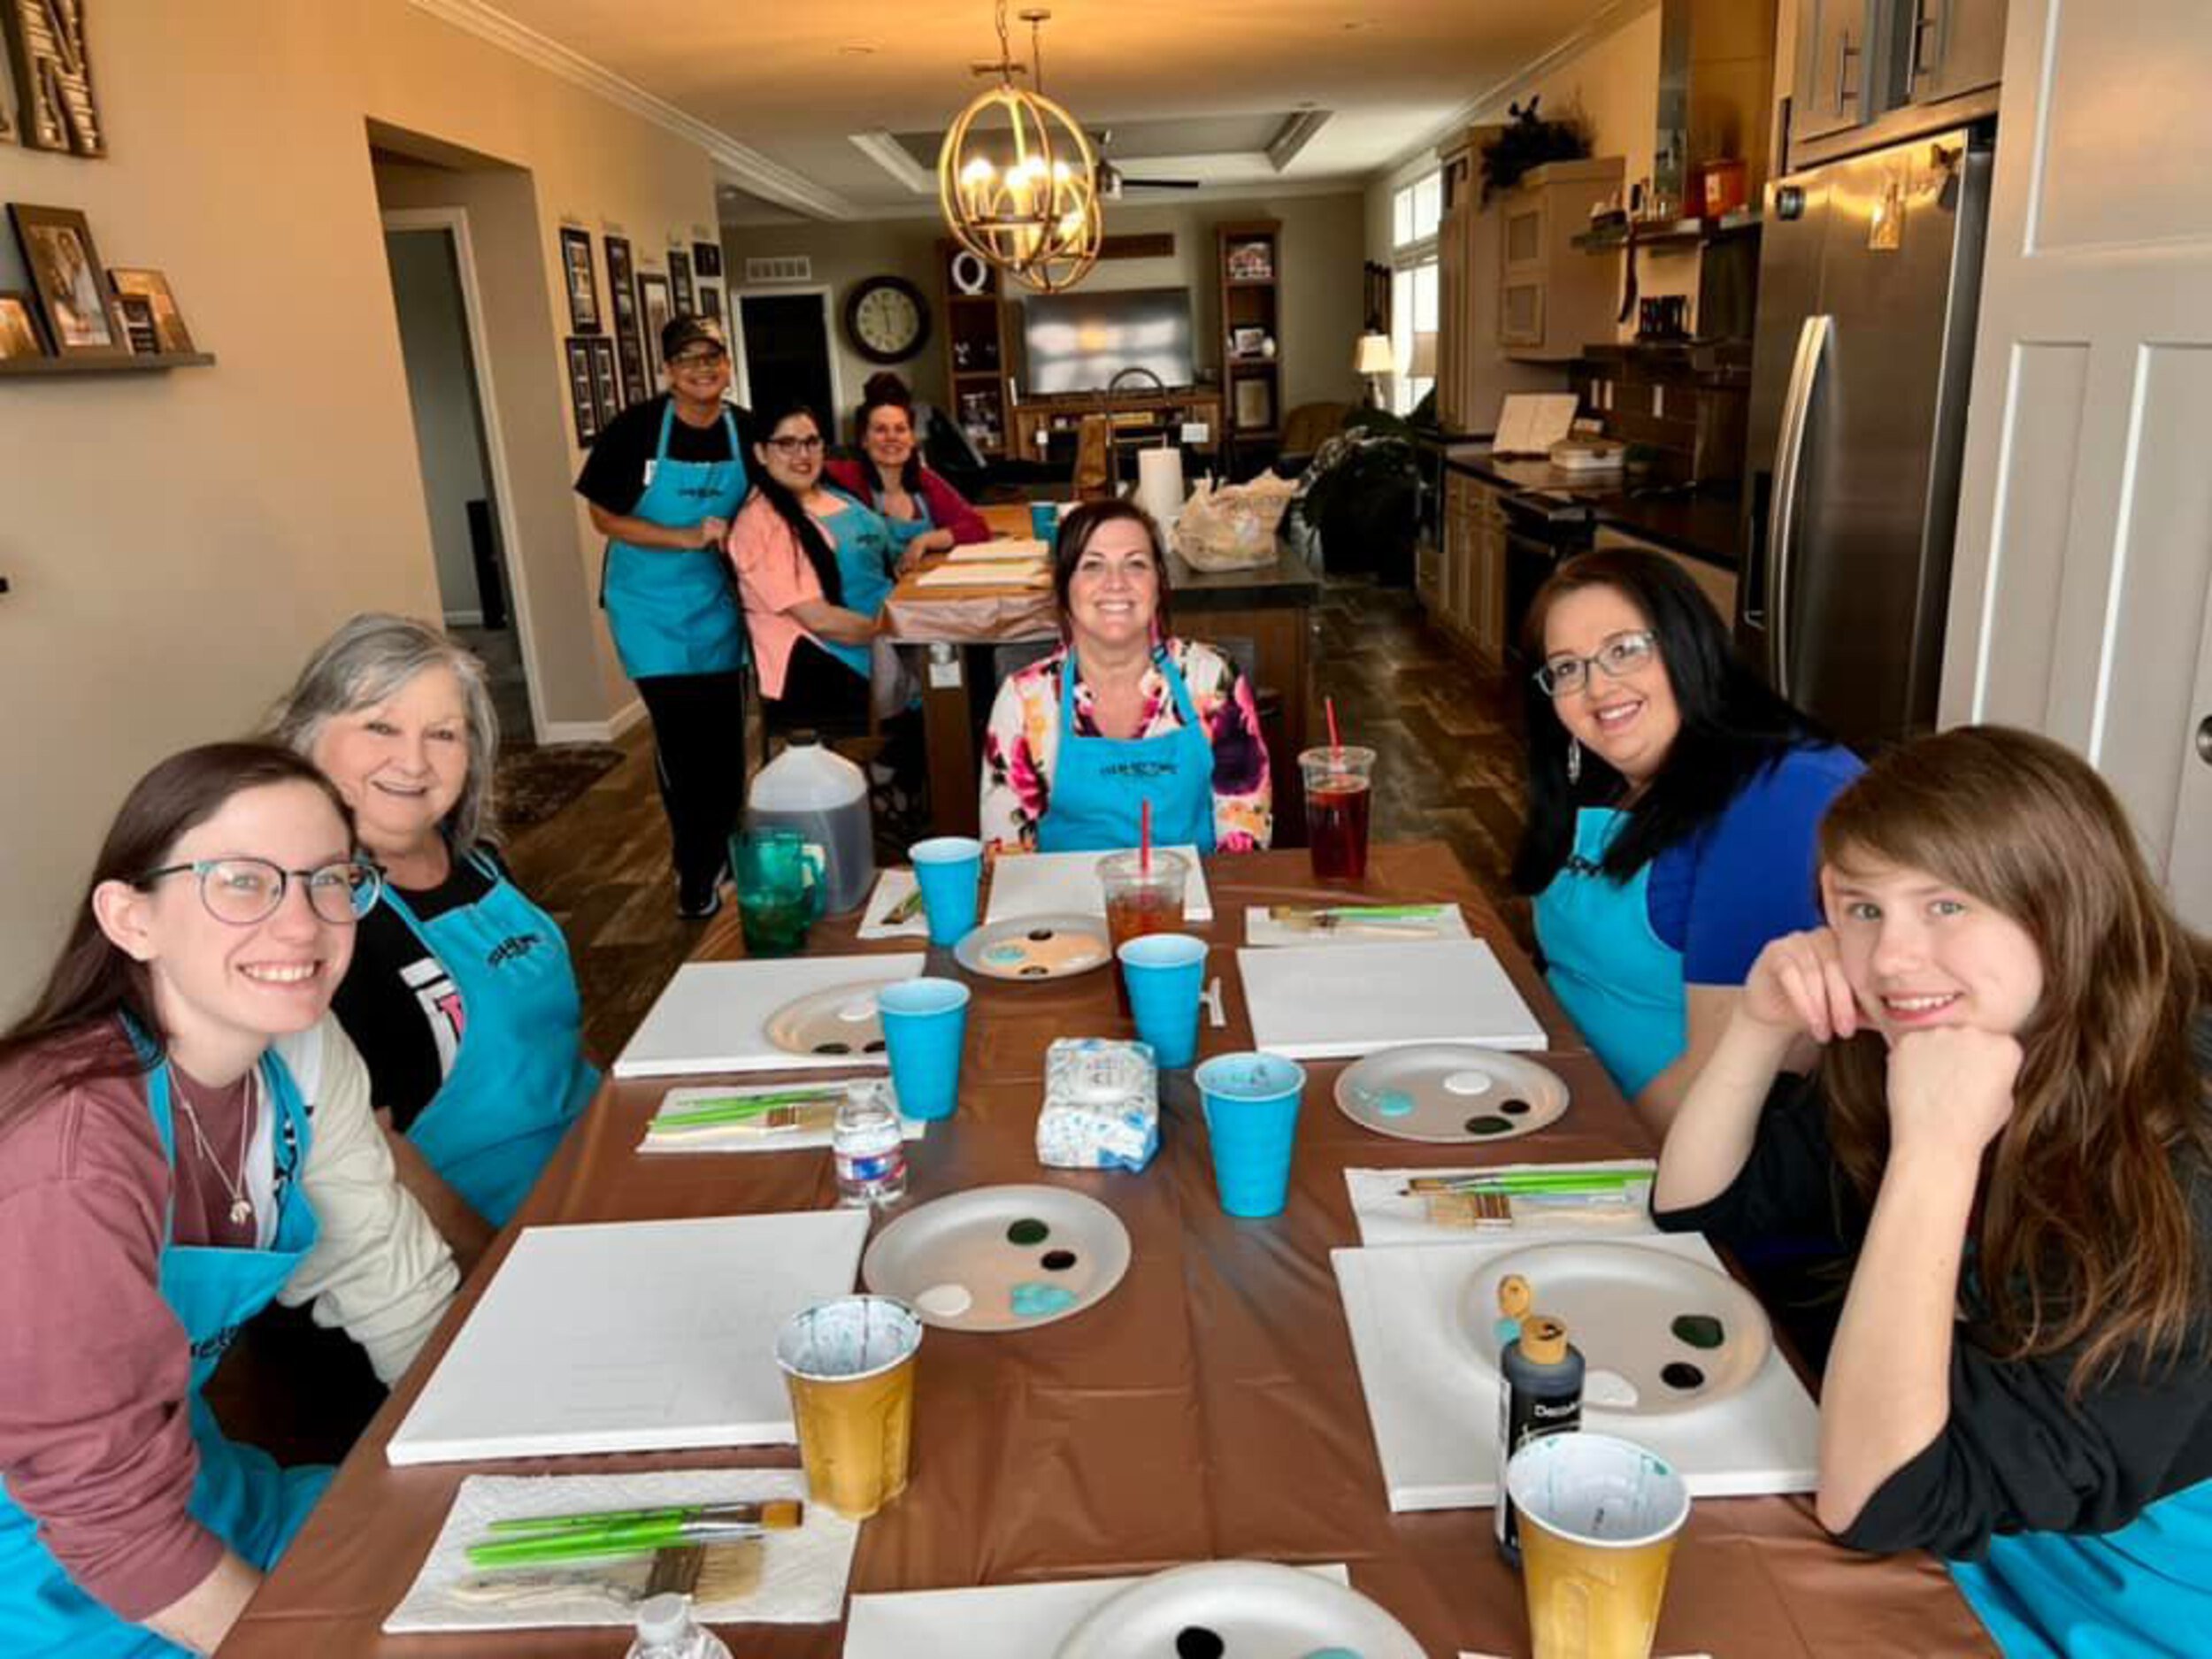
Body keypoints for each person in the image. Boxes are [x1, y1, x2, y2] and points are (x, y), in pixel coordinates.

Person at [1651, 726, 2212, 1657]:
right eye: (1858, 909)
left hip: (2122, 1601)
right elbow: (1701, 1218)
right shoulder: (1937, 1041)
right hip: (1960, 1523)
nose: (1892, 959)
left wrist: (1936, 1153)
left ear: (2065, 906)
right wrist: (1756, 1025)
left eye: (1944, 904)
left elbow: (1884, 1500)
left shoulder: (2179, 1151)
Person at [0, 743, 457, 1656]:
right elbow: (109, 1523)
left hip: (217, 1502)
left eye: (330, 880)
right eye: (242, 883)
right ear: (132, 919)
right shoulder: (67, 1151)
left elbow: (385, 1275)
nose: (301, 926)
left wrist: (495, 1465)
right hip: (56, 1589)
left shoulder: (296, 1050)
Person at [271, 616, 597, 1260]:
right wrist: (495, 1265)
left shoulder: (474, 858)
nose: (415, 761)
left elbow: (554, 1045)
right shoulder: (315, 921)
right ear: (307, 737)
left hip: (594, 1163)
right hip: (496, 1234)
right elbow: (370, 1160)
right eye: (380, 726)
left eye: (443, 733)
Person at [1512, 548, 1862, 1129]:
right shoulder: (1609, 771)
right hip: (1551, 1087)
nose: (1599, 688)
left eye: (1624, 649)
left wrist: (1571, 1146)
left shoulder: (1778, 797)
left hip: (1649, 1155)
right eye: (1568, 668)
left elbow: (1722, 1079)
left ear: (1687, 643)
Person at [575, 315, 751, 918]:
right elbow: (604, 516)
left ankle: (728, 855)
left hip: (716, 604)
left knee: (727, 743)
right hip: (649, 607)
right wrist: (680, 537)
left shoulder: (743, 430)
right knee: (684, 744)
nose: (704, 368)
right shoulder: (637, 430)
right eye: (689, 359)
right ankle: (695, 871)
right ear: (668, 371)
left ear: (728, 364)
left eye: (714, 356)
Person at [979, 498, 1271, 855]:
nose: (1115, 583)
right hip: (1066, 905)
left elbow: (1245, 838)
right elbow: (1007, 859)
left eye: (1135, 564)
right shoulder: (1024, 700)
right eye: (1092, 566)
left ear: (1158, 584)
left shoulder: (1211, 680)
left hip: (1194, 901)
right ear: (1064, 586)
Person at [726, 399, 908, 737]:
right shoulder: (761, 524)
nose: (803, 454)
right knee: (951, 683)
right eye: (786, 444)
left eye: (811, 442)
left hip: (882, 634)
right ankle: (895, 774)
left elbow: (887, 552)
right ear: (761, 453)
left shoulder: (836, 493)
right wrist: (902, 631)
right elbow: (821, 621)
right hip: (826, 660)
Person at [825, 371, 991, 567]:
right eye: (880, 430)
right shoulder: (846, 475)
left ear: (912, 439)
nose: (891, 437)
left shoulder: (925, 479)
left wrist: (926, 540)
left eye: (900, 429)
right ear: (864, 440)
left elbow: (977, 527)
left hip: (918, 586)